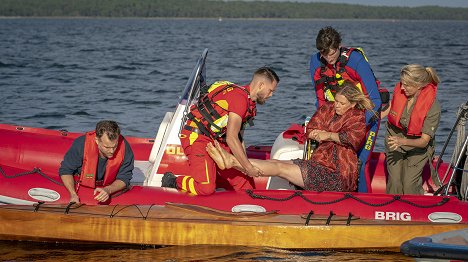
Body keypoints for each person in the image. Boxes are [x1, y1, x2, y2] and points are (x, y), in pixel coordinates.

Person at [207, 83, 375, 192]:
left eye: (342, 103)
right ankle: (234, 161)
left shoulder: (356, 117)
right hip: (318, 164)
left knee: (281, 169)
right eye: (336, 101)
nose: (336, 105)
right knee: (277, 163)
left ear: (352, 104)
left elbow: (353, 138)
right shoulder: (329, 109)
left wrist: (327, 135)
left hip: (337, 174)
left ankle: (234, 162)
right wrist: (318, 133)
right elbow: (312, 127)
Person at [161, 67, 280, 195]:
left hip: (215, 139)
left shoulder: (250, 104)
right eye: (270, 90)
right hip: (196, 137)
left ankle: (214, 178)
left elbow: (239, 138)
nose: (271, 95)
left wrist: (241, 164)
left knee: (246, 187)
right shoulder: (240, 99)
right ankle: (173, 181)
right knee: (205, 188)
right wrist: (248, 167)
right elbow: (231, 138)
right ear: (261, 85)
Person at [309, 26, 383, 192]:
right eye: (323, 53)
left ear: (339, 46)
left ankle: (364, 206)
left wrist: (355, 128)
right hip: (337, 121)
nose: (328, 58)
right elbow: (321, 100)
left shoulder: (355, 61)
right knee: (329, 161)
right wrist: (323, 127)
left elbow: (376, 101)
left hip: (365, 120)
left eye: (332, 52)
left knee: (359, 164)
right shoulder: (315, 62)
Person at [382, 64, 441, 195]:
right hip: (394, 140)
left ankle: (414, 210)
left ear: (419, 85)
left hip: (417, 146)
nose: (402, 88)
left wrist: (402, 141)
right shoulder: (401, 92)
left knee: (409, 185)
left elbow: (424, 141)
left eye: (407, 85)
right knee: (395, 182)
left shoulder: (433, 107)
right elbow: (390, 108)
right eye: (402, 83)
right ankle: (391, 210)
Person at [59, 120, 134, 204]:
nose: (112, 151)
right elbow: (66, 170)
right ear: (97, 141)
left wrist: (108, 190)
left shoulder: (125, 148)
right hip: (82, 181)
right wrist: (73, 194)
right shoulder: (81, 144)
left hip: (108, 184)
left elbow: (124, 178)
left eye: (115, 146)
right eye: (107, 147)